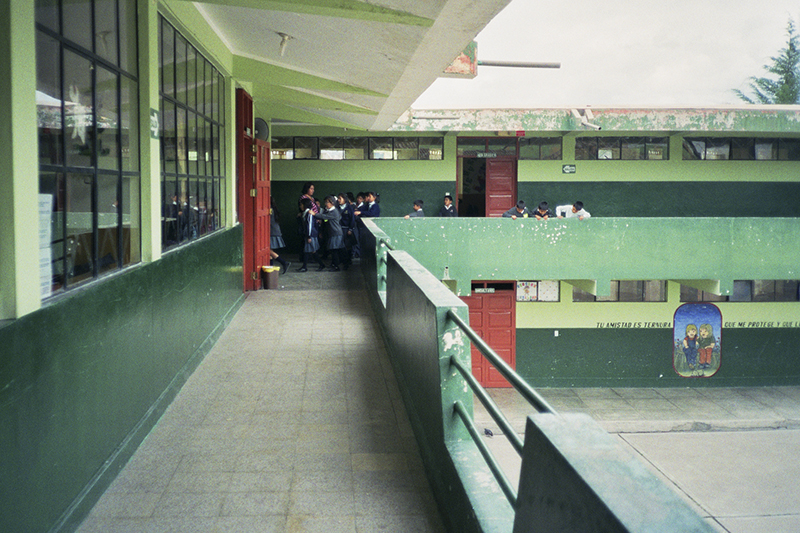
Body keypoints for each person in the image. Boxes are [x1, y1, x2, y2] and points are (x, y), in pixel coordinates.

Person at [314, 195, 346, 271]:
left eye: (327, 202)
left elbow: (324, 217)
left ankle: (336, 266)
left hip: (336, 233)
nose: (325, 204)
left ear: (332, 203)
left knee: (334, 250)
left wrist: (314, 214)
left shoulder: (333, 211)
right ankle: (335, 264)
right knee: (335, 250)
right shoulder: (330, 211)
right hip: (334, 233)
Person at [297, 198, 325, 272]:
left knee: (309, 251)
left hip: (311, 235)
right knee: (311, 251)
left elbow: (309, 225)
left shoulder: (309, 213)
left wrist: (309, 236)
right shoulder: (305, 213)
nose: (300, 206)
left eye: (301, 205)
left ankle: (305, 267)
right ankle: (320, 264)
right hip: (309, 234)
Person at [269, 197, 291, 274]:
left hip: (271, 232)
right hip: (274, 231)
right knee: (269, 252)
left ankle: (283, 262)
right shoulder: (274, 209)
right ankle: (270, 270)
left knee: (267, 250)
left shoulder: (269, 209)